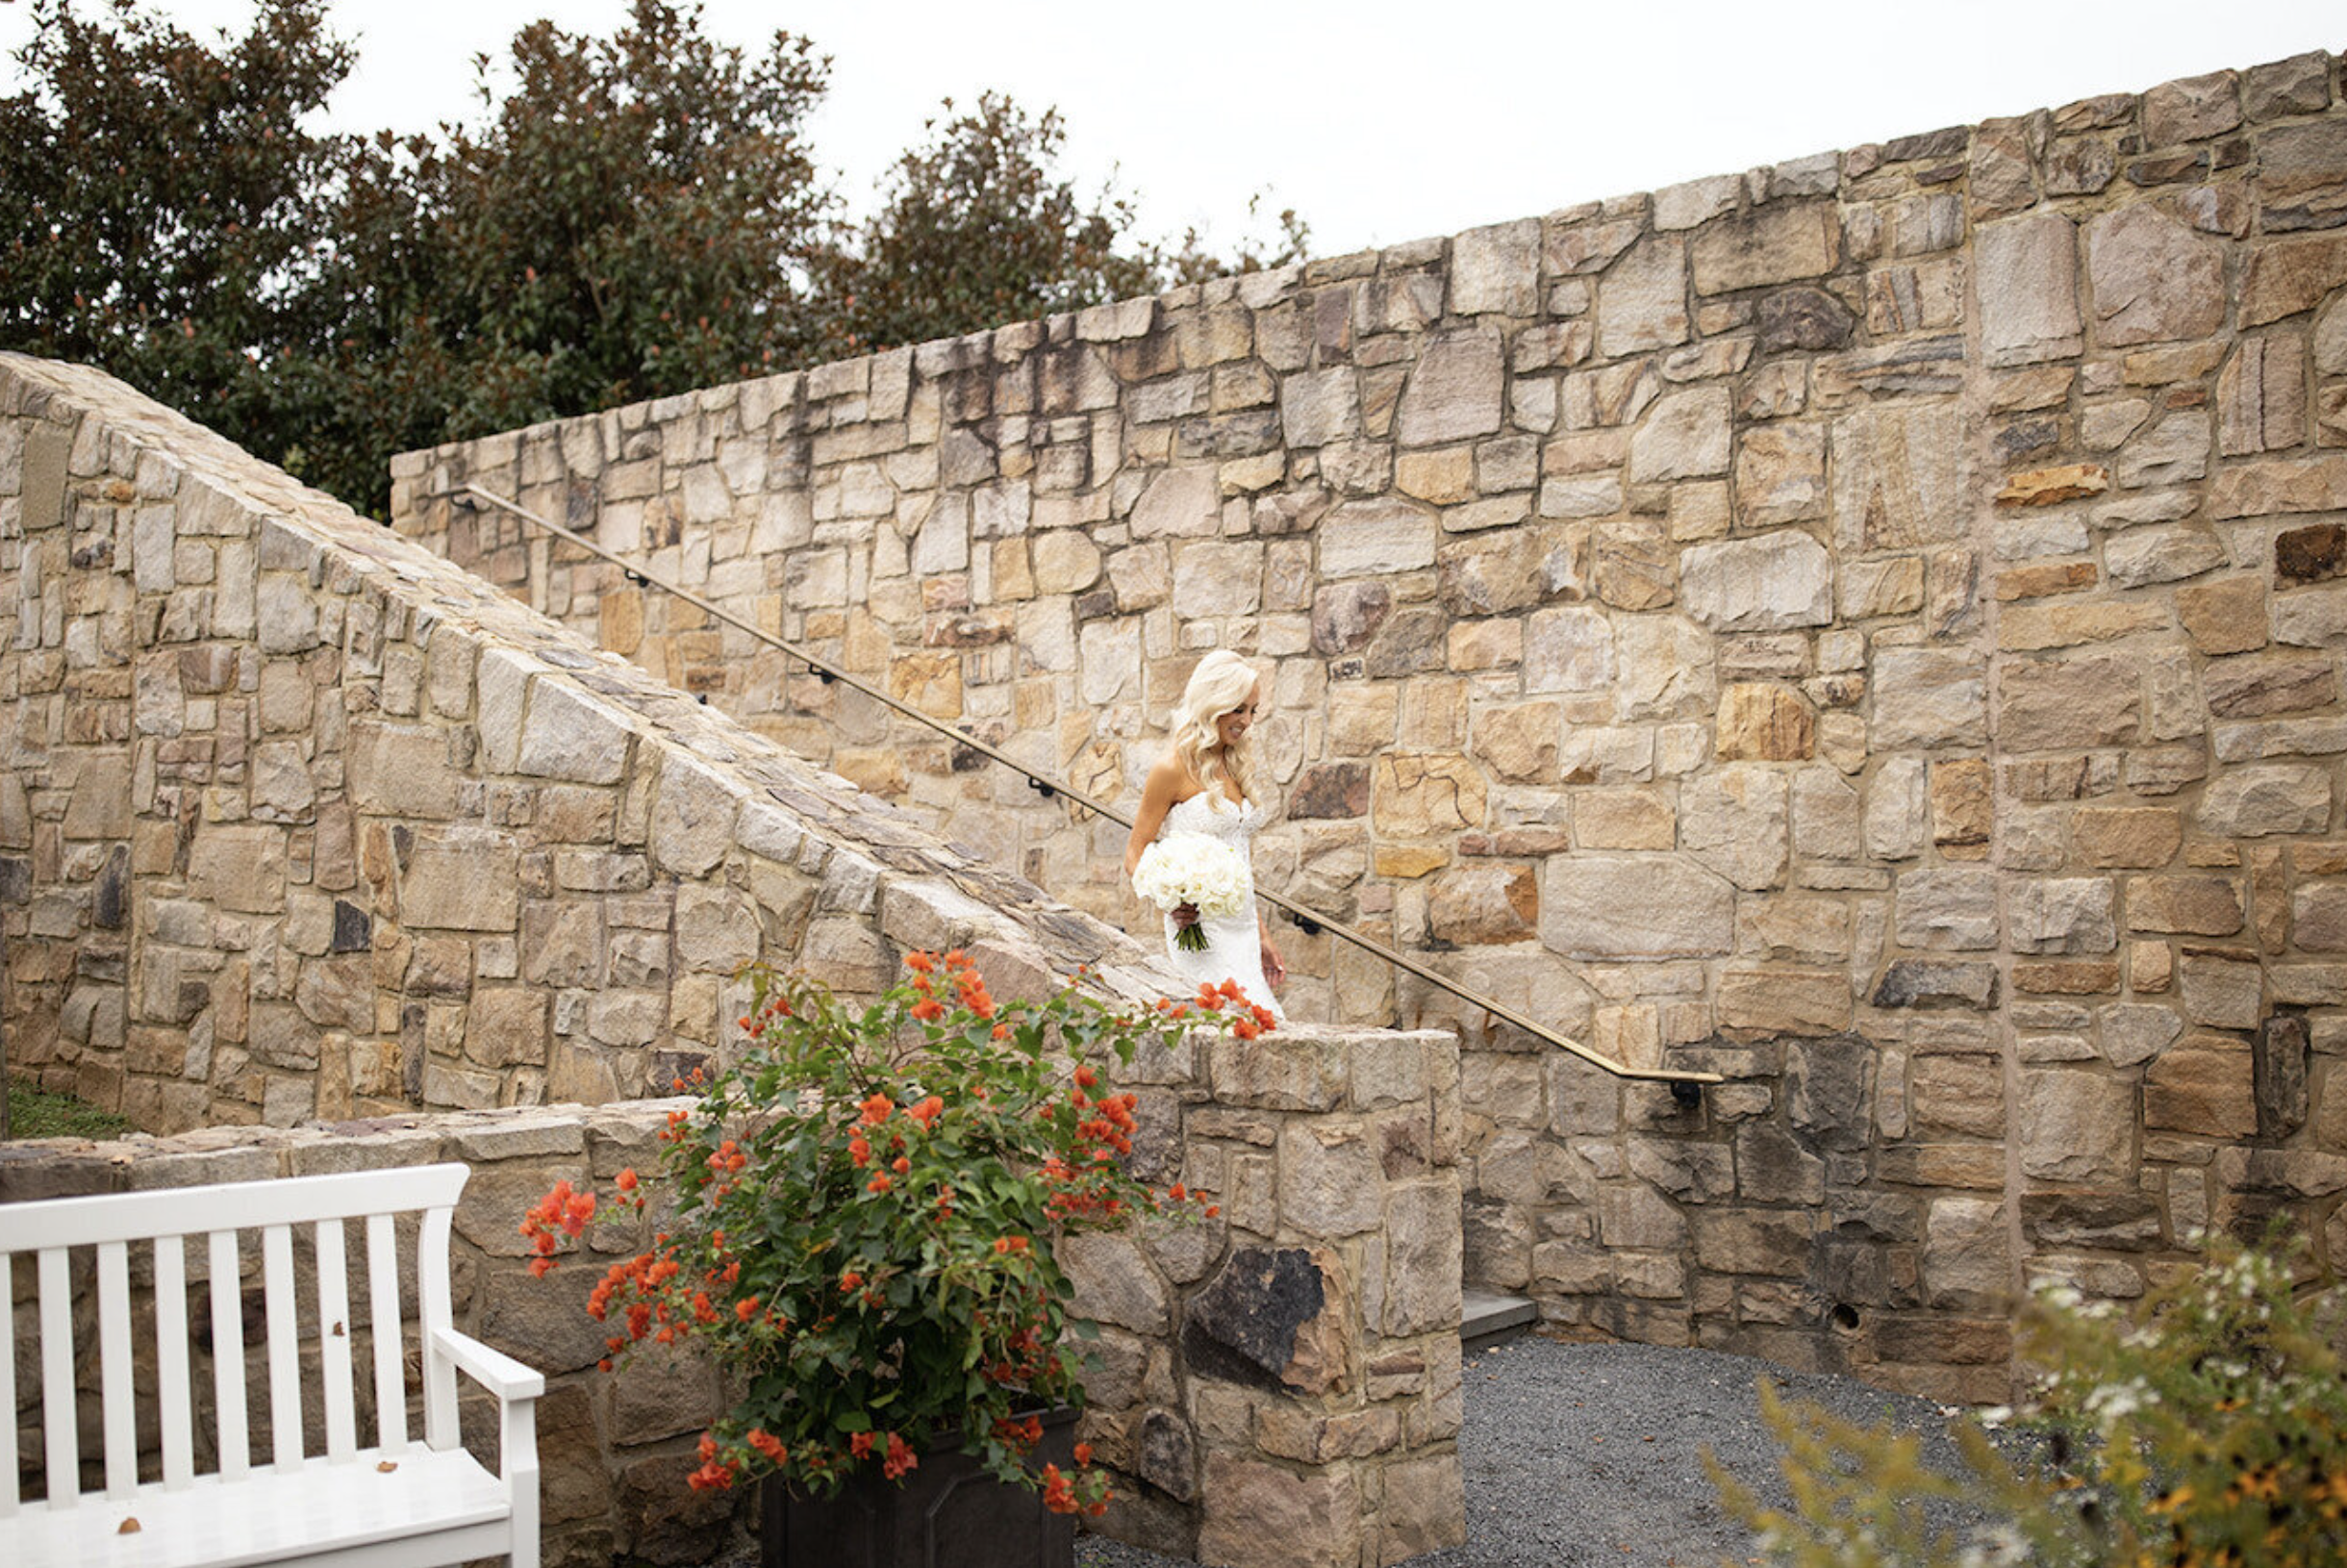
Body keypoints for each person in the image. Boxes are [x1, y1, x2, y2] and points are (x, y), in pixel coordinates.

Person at [1123, 650, 1285, 1018]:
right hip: (1198, 927)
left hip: (1241, 925)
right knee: (1227, 1021)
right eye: (1238, 709)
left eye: (1252, 711)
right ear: (1214, 703)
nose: (1246, 721)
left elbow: (1238, 858)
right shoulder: (1170, 769)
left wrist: (1261, 935)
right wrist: (1171, 901)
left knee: (1254, 1023)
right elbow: (1135, 853)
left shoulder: (1235, 764)